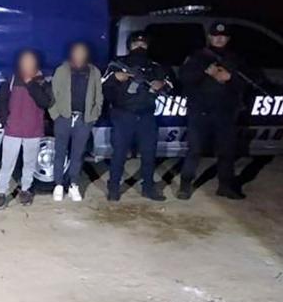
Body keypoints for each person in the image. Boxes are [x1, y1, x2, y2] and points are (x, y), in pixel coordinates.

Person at [177, 22, 247, 200]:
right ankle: (185, 185)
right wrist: (205, 72)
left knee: (226, 152)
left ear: (228, 38)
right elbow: (184, 78)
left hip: (225, 112)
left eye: (223, 36)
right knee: (195, 150)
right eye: (215, 35)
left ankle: (225, 186)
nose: (219, 38)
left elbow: (247, 83)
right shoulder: (198, 56)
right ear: (209, 37)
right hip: (200, 112)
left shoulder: (235, 58)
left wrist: (230, 77)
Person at [103, 31, 171, 202]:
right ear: (129, 46)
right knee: (119, 154)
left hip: (147, 116)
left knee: (149, 154)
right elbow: (102, 84)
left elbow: (170, 84)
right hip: (123, 115)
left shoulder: (154, 66)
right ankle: (113, 188)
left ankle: (148, 188)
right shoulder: (118, 64)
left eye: (143, 44)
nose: (139, 47)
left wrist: (161, 84)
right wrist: (115, 78)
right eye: (135, 44)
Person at [0, 49, 53, 209]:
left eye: (30, 61)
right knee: (7, 163)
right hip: (13, 130)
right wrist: (6, 120)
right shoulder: (11, 79)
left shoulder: (42, 81)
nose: (27, 63)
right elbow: (2, 100)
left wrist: (30, 83)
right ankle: (1, 193)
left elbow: (45, 102)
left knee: (29, 163)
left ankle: (25, 190)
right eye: (25, 60)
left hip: (33, 131)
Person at [48, 42, 104, 202]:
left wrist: (93, 116)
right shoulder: (62, 70)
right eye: (76, 52)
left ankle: (73, 184)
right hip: (64, 118)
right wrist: (56, 115)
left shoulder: (94, 72)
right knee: (60, 152)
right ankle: (58, 185)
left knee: (78, 155)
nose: (79, 55)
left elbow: (99, 96)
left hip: (83, 120)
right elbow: (53, 93)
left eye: (82, 52)